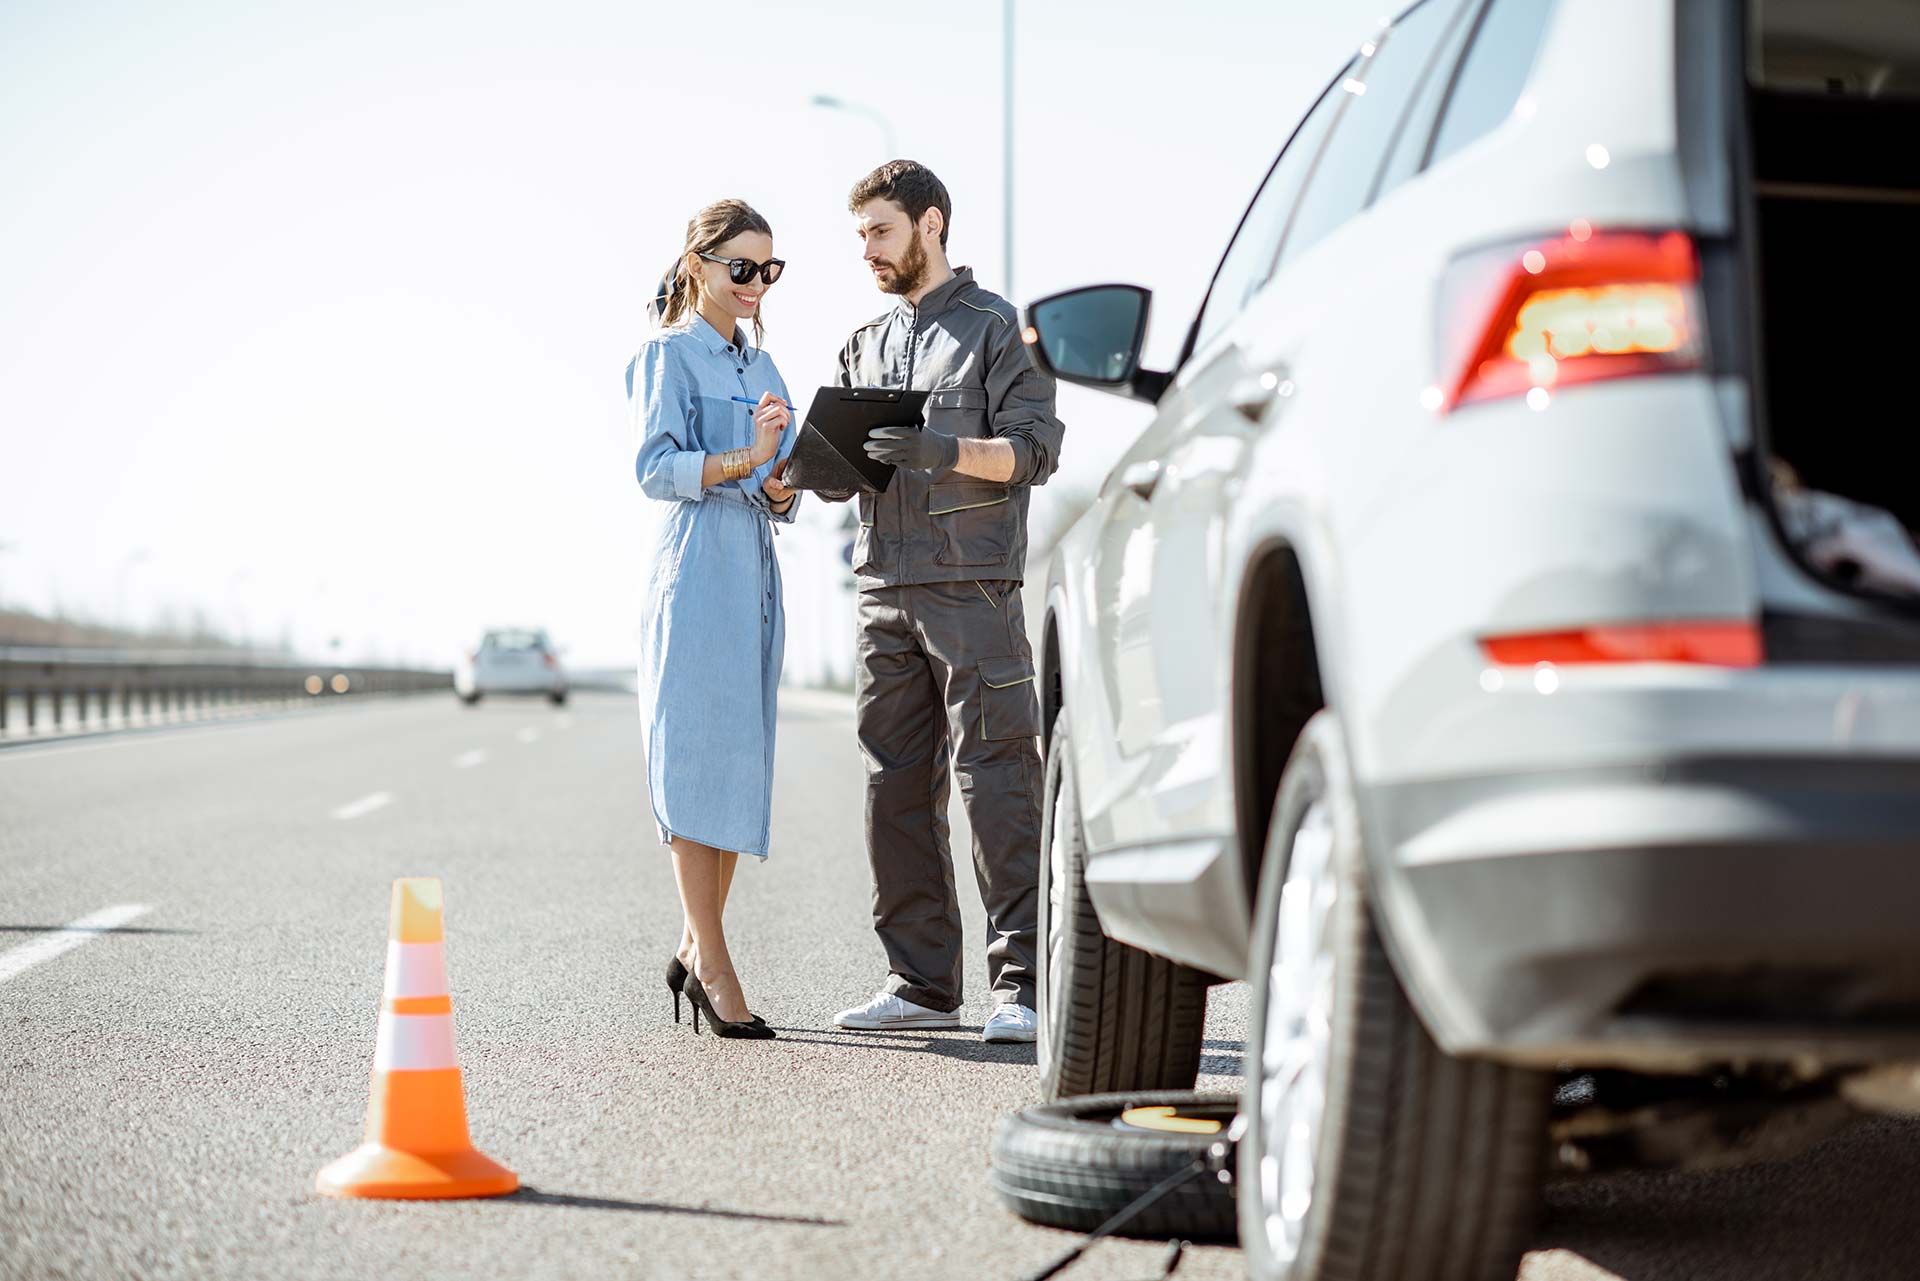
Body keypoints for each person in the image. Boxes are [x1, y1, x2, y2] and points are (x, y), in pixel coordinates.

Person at [821, 161, 1064, 1044]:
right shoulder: (862, 342)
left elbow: (1035, 451)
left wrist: (946, 451)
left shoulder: (1000, 329)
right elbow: (849, 469)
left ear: (931, 224)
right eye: (860, 237)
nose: (868, 252)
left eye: (880, 232)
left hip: (972, 587)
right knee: (892, 785)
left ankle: (1030, 983)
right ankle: (921, 984)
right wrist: (818, 469)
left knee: (998, 776)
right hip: (882, 584)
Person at [631, 198, 798, 1040]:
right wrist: (748, 459)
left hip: (755, 571)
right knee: (696, 761)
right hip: (696, 568)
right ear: (698, 265)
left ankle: (694, 947)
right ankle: (716, 964)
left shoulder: (764, 369)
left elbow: (783, 485)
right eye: (741, 268)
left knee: (734, 765)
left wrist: (780, 481)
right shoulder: (666, 354)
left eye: (768, 270)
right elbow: (656, 467)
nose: (755, 286)